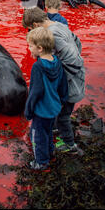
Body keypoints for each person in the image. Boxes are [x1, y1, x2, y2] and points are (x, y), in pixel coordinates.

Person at [22, 7, 85, 155]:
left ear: (36, 25)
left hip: (71, 81)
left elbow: (74, 59)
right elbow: (78, 42)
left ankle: (70, 145)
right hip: (73, 78)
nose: (30, 32)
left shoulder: (53, 34)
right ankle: (56, 127)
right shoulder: (59, 24)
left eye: (30, 29)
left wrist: (57, 74)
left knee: (64, 115)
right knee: (61, 110)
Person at [25, 27, 68, 171]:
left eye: (30, 45)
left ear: (40, 48)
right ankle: (51, 153)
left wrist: (28, 110)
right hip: (54, 107)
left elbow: (35, 91)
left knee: (37, 136)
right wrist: (63, 100)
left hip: (41, 111)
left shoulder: (38, 67)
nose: (29, 48)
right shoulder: (57, 61)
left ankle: (41, 162)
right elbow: (63, 84)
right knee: (48, 131)